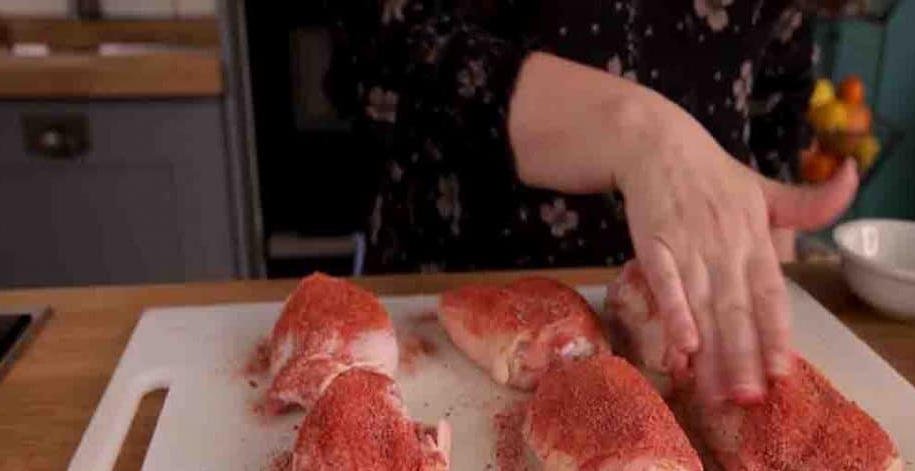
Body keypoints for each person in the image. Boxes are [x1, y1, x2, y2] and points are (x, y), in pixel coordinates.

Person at [327, 0, 859, 406]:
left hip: (686, 325)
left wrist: (762, 294)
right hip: (445, 301)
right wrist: (638, 131)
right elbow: (377, 48)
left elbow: (776, 104)